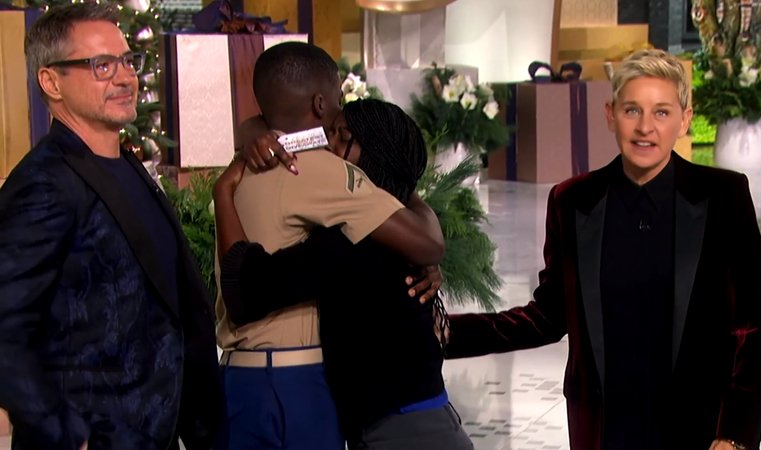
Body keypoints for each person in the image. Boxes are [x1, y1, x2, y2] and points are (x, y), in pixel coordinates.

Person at [443, 49, 761, 450]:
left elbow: (755, 329)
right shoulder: (573, 201)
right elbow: (547, 317)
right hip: (605, 432)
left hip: (699, 433)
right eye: (632, 110)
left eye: (662, 112)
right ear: (610, 115)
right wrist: (442, 332)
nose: (645, 127)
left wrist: (735, 435)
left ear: (685, 119)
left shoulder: (724, 197)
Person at [0, 3, 223, 450]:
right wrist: (66, 437)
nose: (125, 78)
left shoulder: (126, 164)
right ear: (51, 81)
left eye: (127, 61)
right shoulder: (45, 183)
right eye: (102, 65)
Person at [213, 43, 445, 450]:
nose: (340, 110)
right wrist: (408, 196)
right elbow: (427, 244)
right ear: (320, 103)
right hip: (297, 380)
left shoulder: (246, 164)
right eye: (338, 98)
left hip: (235, 377)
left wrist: (239, 154)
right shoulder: (324, 171)